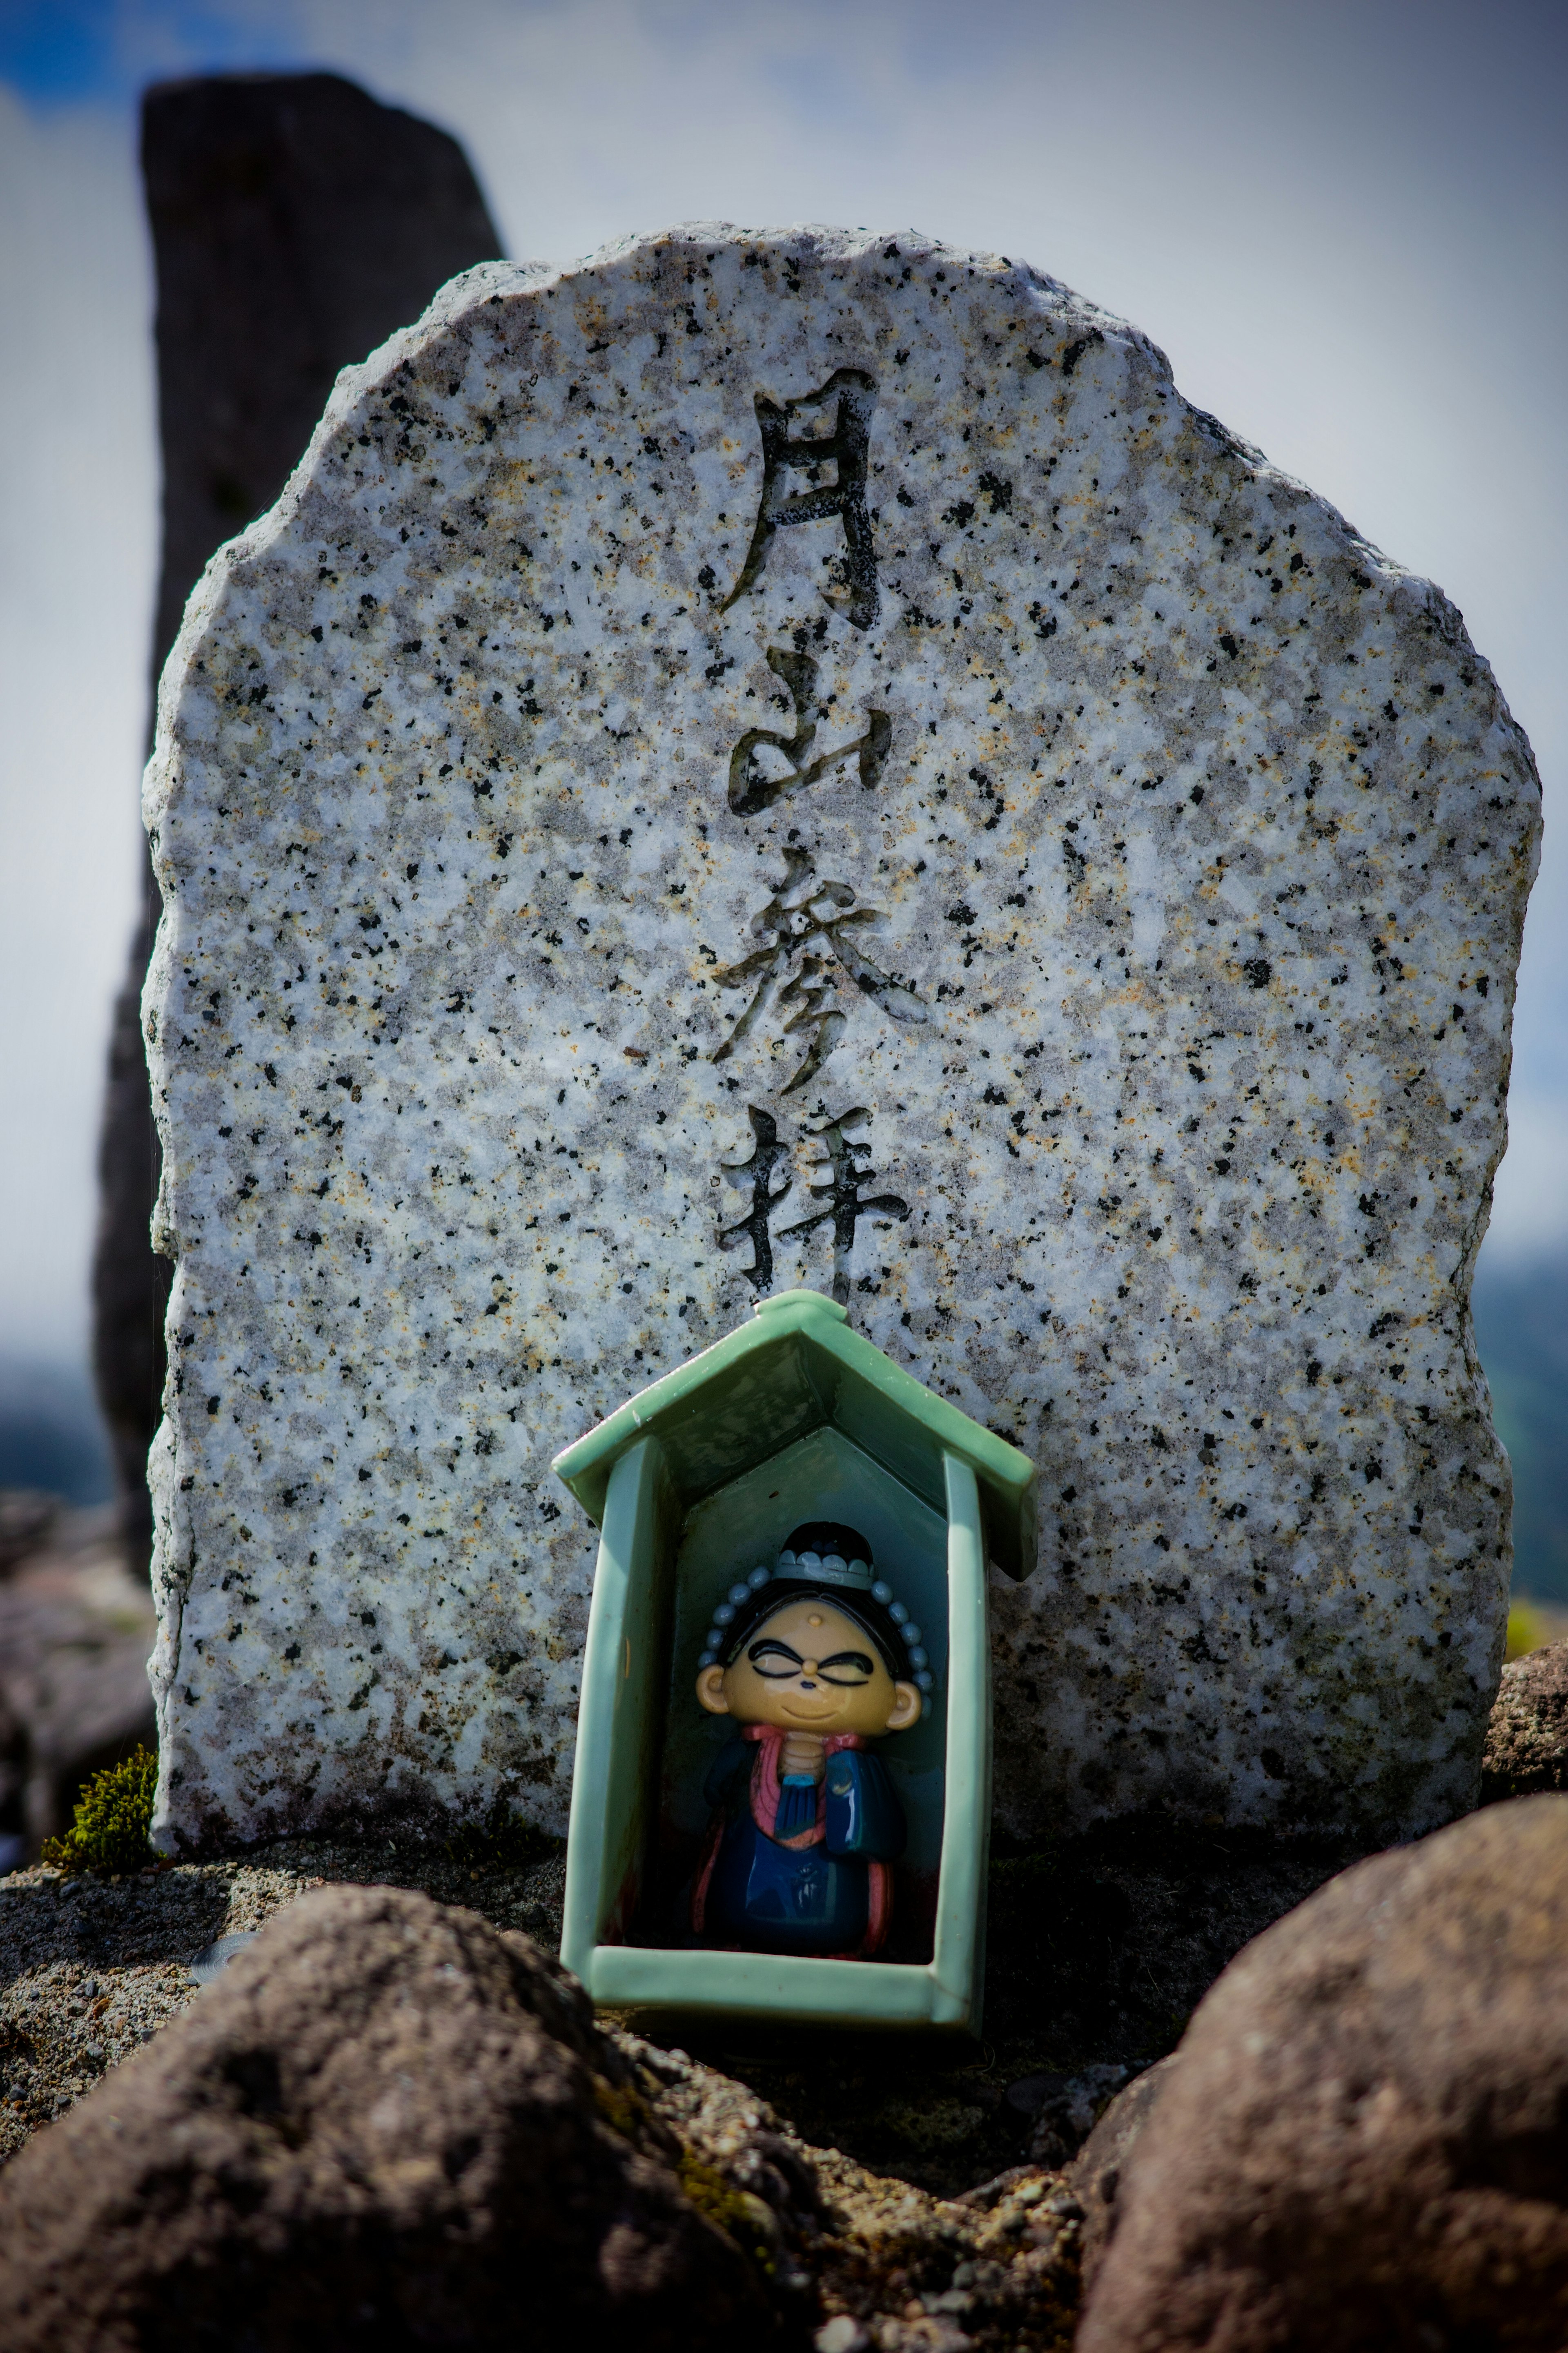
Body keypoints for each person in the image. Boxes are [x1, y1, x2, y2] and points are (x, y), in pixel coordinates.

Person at [690, 1521, 930, 1958]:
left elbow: (879, 1838)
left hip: (834, 1908)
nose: (809, 1678)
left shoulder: (861, 1769)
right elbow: (715, 1792)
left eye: (843, 1669)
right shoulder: (745, 1757)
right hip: (742, 1896)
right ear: (718, 1685)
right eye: (779, 1664)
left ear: (900, 1703)